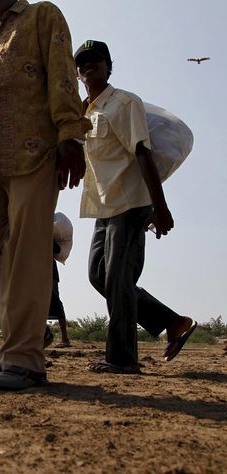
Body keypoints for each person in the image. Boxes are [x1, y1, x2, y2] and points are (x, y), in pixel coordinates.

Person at [0, 0, 90, 390]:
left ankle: (25, 360)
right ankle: (25, 331)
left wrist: (70, 136)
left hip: (36, 152)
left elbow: (63, 77)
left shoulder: (42, 15)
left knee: (26, 253)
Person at [75, 40, 195, 374]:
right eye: (82, 63)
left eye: (95, 60)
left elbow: (142, 152)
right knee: (98, 275)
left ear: (109, 66)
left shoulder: (125, 102)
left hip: (131, 202)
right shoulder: (82, 113)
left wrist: (160, 206)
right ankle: (172, 321)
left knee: (117, 277)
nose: (88, 66)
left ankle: (123, 357)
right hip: (103, 205)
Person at [49, 242, 71, 348]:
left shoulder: (46, 235)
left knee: (56, 303)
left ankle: (65, 339)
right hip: (35, 273)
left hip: (49, 274)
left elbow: (57, 249)